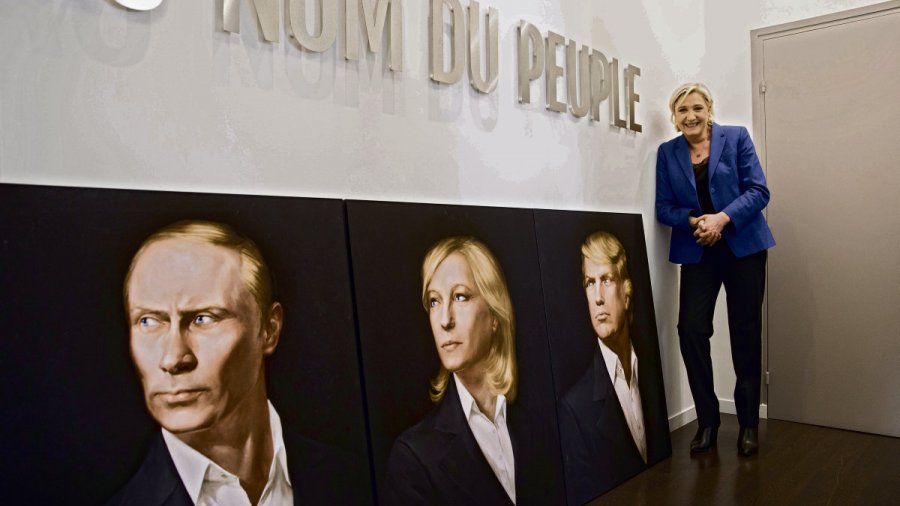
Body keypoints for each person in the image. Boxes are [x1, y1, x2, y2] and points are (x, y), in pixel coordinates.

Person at [108, 220, 363, 505]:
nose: (173, 358)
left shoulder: (354, 481)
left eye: (203, 318)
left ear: (269, 329)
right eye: (148, 321)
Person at [655, 83, 775, 457]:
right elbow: (664, 207)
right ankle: (707, 422)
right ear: (674, 117)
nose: (690, 116)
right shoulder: (668, 152)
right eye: (682, 110)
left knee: (745, 331)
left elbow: (758, 191)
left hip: (743, 249)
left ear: (709, 109)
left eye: (697, 108)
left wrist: (721, 219)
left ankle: (748, 425)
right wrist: (696, 222)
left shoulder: (736, 138)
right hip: (699, 251)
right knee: (690, 329)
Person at [384, 237, 547, 506]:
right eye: (434, 301)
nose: (445, 320)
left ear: (494, 315)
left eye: (460, 297)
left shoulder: (535, 425)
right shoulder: (414, 457)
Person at [557, 231, 670, 504]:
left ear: (626, 293)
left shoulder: (651, 373)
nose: (597, 297)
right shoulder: (575, 407)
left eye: (606, 280)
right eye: (589, 283)